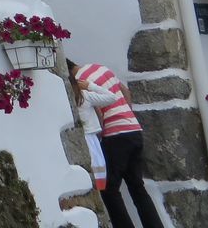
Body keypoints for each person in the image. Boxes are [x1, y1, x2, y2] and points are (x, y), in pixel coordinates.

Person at [69, 59, 166, 228]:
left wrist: (103, 132)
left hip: (115, 136)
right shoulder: (101, 68)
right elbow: (125, 91)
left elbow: (97, 109)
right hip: (134, 130)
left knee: (109, 190)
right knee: (137, 187)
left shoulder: (79, 81)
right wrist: (126, 116)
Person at [69, 62, 117, 191]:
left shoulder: (70, 98)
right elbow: (112, 97)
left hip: (78, 138)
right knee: (98, 173)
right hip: (91, 138)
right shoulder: (85, 96)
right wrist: (90, 85)